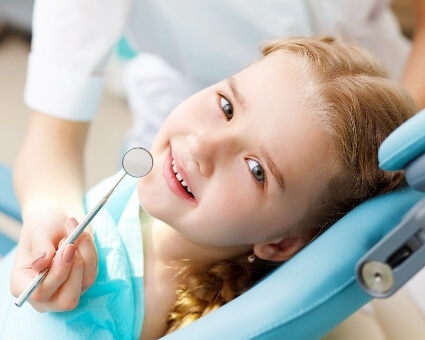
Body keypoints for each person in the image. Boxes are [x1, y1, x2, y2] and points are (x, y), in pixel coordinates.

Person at [11, 1, 425, 310]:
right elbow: (52, 139)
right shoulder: (163, 172)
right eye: (226, 105)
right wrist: (50, 219)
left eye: (256, 170)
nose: (204, 146)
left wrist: (387, 155)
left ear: (281, 244)